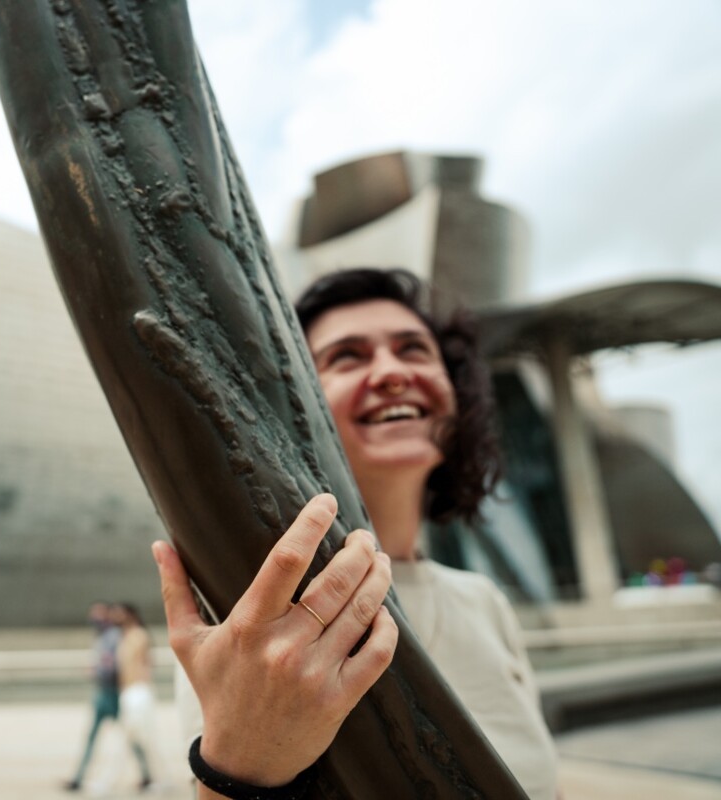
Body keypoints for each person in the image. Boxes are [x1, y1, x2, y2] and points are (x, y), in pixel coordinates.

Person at [152, 268, 560, 799]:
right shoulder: (253, 613)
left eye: (414, 350)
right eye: (348, 356)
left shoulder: (484, 603)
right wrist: (238, 764)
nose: (392, 373)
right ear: (295, 404)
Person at [63, 601, 123, 792]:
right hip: (103, 692)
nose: (95, 619)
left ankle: (147, 774)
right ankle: (78, 776)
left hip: (113, 693)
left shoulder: (113, 636)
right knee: (92, 736)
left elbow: (112, 665)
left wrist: (96, 671)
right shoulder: (102, 637)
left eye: (98, 615)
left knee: (130, 735)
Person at [114, 602, 160, 792]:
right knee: (133, 736)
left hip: (138, 690)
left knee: (142, 735)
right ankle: (146, 774)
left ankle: (151, 775)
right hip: (128, 690)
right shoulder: (123, 637)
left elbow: (145, 663)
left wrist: (140, 687)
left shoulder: (139, 635)